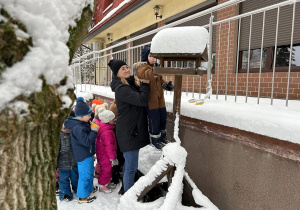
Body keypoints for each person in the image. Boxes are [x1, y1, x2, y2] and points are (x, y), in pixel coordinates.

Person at [109, 59, 150, 193]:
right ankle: (128, 197)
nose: (127, 70)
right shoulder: (122, 89)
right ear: (117, 74)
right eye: (123, 69)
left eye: (127, 67)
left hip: (130, 130)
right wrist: (145, 84)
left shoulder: (128, 84)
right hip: (128, 132)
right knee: (131, 167)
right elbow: (141, 99)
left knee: (129, 165)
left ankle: (125, 190)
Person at [134, 45, 174, 150]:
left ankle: (163, 138)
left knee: (162, 118)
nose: (154, 58)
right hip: (151, 102)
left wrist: (166, 85)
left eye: (155, 56)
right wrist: (155, 69)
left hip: (160, 100)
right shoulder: (141, 68)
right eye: (151, 56)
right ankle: (155, 140)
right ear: (145, 56)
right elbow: (147, 75)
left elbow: (160, 80)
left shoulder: (155, 68)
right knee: (154, 121)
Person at [64, 97, 99, 204]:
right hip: (83, 155)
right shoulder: (78, 128)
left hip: (87, 154)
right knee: (84, 175)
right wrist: (94, 131)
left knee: (89, 173)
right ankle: (83, 197)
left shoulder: (82, 123)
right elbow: (86, 141)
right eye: (89, 115)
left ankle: (89, 189)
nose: (90, 117)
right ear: (81, 116)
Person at [93, 107, 118, 193]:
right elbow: (109, 145)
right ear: (107, 120)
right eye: (112, 119)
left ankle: (106, 182)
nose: (114, 120)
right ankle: (102, 185)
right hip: (106, 155)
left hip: (103, 153)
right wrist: (113, 157)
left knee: (108, 169)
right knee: (106, 169)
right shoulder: (107, 131)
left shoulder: (105, 127)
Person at [57, 120, 79, 202]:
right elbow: (56, 149)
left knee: (75, 177)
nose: (66, 127)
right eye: (64, 125)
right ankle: (65, 193)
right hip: (62, 162)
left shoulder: (75, 134)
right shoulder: (59, 136)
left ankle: (77, 189)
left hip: (74, 162)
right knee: (63, 180)